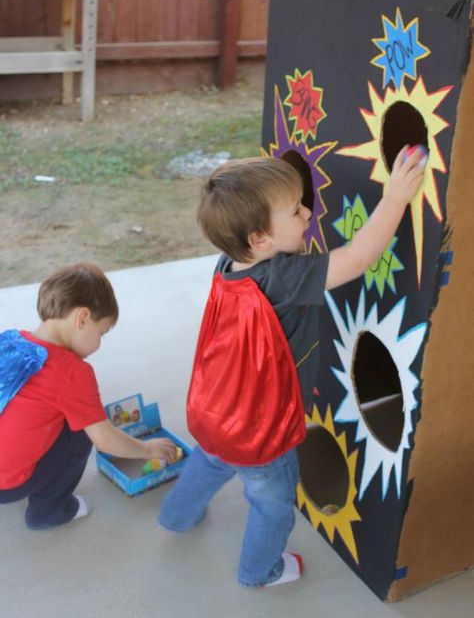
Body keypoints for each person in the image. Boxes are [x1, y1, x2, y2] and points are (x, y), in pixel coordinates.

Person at [158, 148, 426, 588]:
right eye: (296, 210)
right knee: (272, 501)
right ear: (261, 240)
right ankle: (260, 570)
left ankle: (177, 516)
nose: (308, 213)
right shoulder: (284, 276)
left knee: (210, 461)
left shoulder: (228, 266)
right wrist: (395, 197)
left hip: (216, 412)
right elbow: (358, 259)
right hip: (263, 430)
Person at [0, 262, 176, 530]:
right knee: (81, 429)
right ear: (82, 319)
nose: (100, 341)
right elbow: (105, 440)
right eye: (101, 332)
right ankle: (49, 511)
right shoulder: (72, 372)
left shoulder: (9, 339)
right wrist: (147, 449)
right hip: (7, 486)